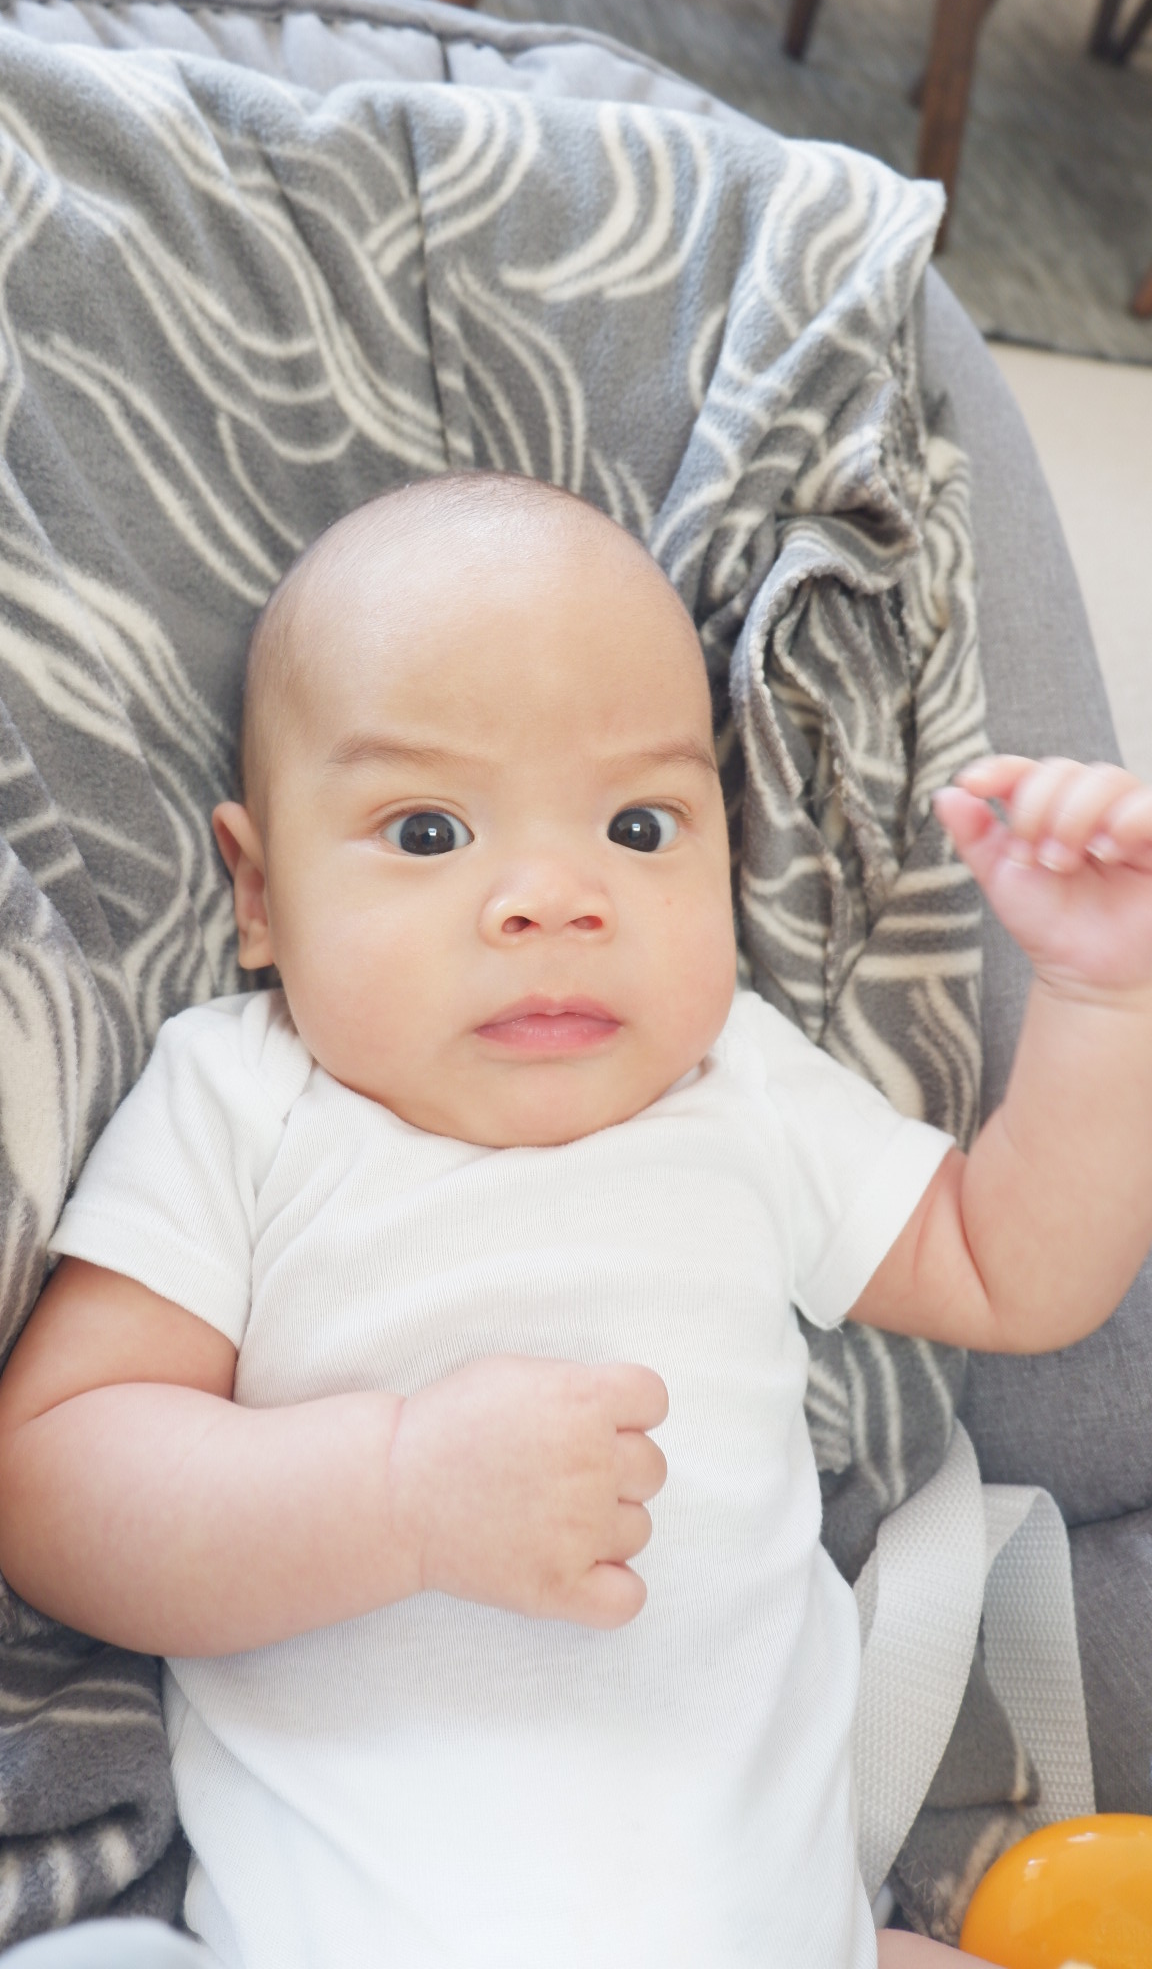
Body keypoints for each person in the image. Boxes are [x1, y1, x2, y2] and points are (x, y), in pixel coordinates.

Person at [1, 473, 1151, 1969]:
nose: (554, 898)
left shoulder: (738, 1088)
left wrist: (1100, 1001)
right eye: (428, 831)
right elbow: (53, 1478)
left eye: (637, 823)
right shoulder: (244, 1097)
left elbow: (1019, 1272)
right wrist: (398, 1491)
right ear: (261, 892)